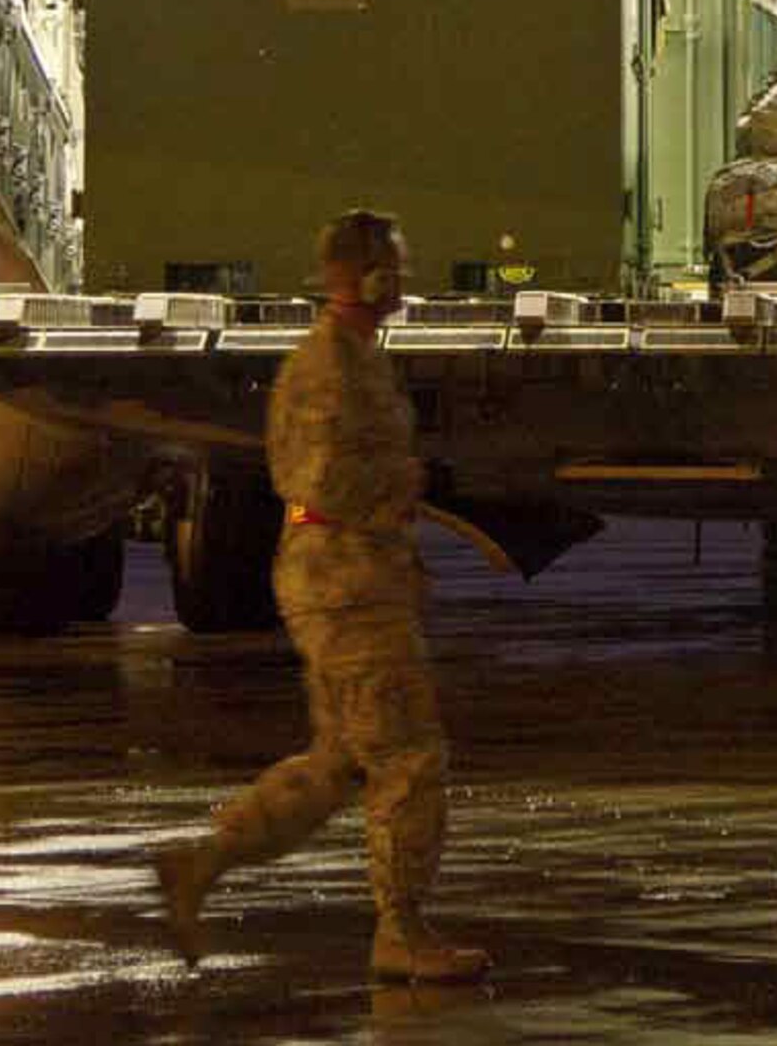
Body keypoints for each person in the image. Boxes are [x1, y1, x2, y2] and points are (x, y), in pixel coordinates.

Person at [153, 210, 490, 984]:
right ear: (367, 278)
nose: (402, 280)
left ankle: (201, 864)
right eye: (393, 268)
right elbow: (320, 479)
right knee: (406, 759)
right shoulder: (329, 367)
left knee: (340, 762)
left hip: (357, 576)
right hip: (345, 584)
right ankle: (400, 931)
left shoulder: (356, 357)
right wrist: (394, 501)